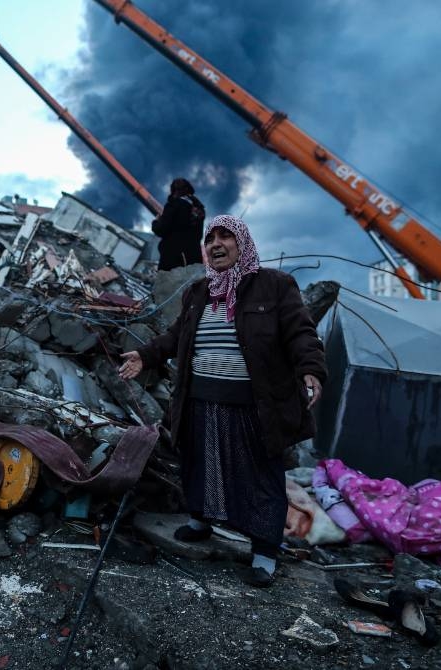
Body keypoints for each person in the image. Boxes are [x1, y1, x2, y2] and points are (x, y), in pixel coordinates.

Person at [119, 214, 326, 588]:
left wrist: (311, 369)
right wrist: (145, 356)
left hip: (251, 405)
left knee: (259, 477)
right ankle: (200, 520)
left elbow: (301, 332)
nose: (216, 244)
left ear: (242, 243)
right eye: (210, 237)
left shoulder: (274, 286)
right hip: (199, 399)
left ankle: (263, 551)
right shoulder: (198, 292)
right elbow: (176, 335)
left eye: (225, 236)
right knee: (199, 464)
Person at [151, 177, 205, 271]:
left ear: (174, 191)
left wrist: (155, 222)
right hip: (193, 260)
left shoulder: (174, 205)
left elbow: (161, 229)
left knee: (167, 285)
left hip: (172, 260)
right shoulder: (199, 210)